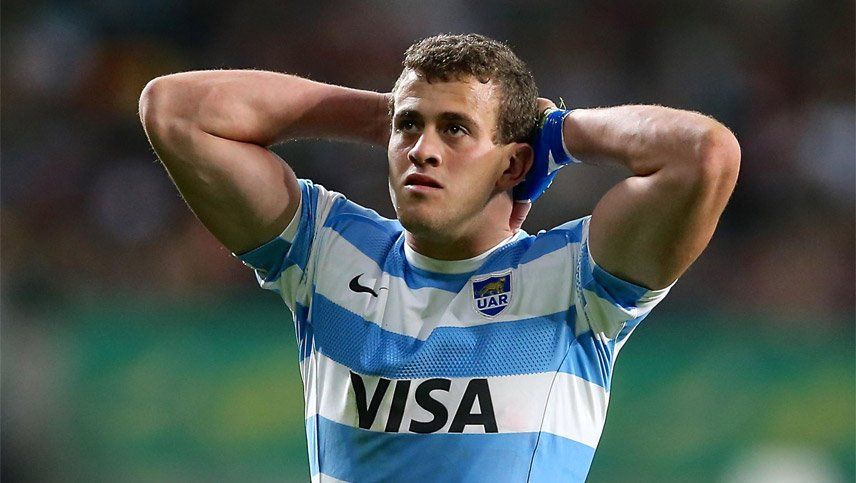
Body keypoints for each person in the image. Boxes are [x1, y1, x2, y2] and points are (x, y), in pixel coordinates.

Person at [139, 33, 739, 482]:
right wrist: (381, 114)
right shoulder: (326, 251)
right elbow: (173, 110)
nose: (422, 150)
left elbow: (703, 155)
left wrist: (557, 135)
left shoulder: (573, 283)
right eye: (409, 127)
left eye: (455, 129)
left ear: (513, 163)